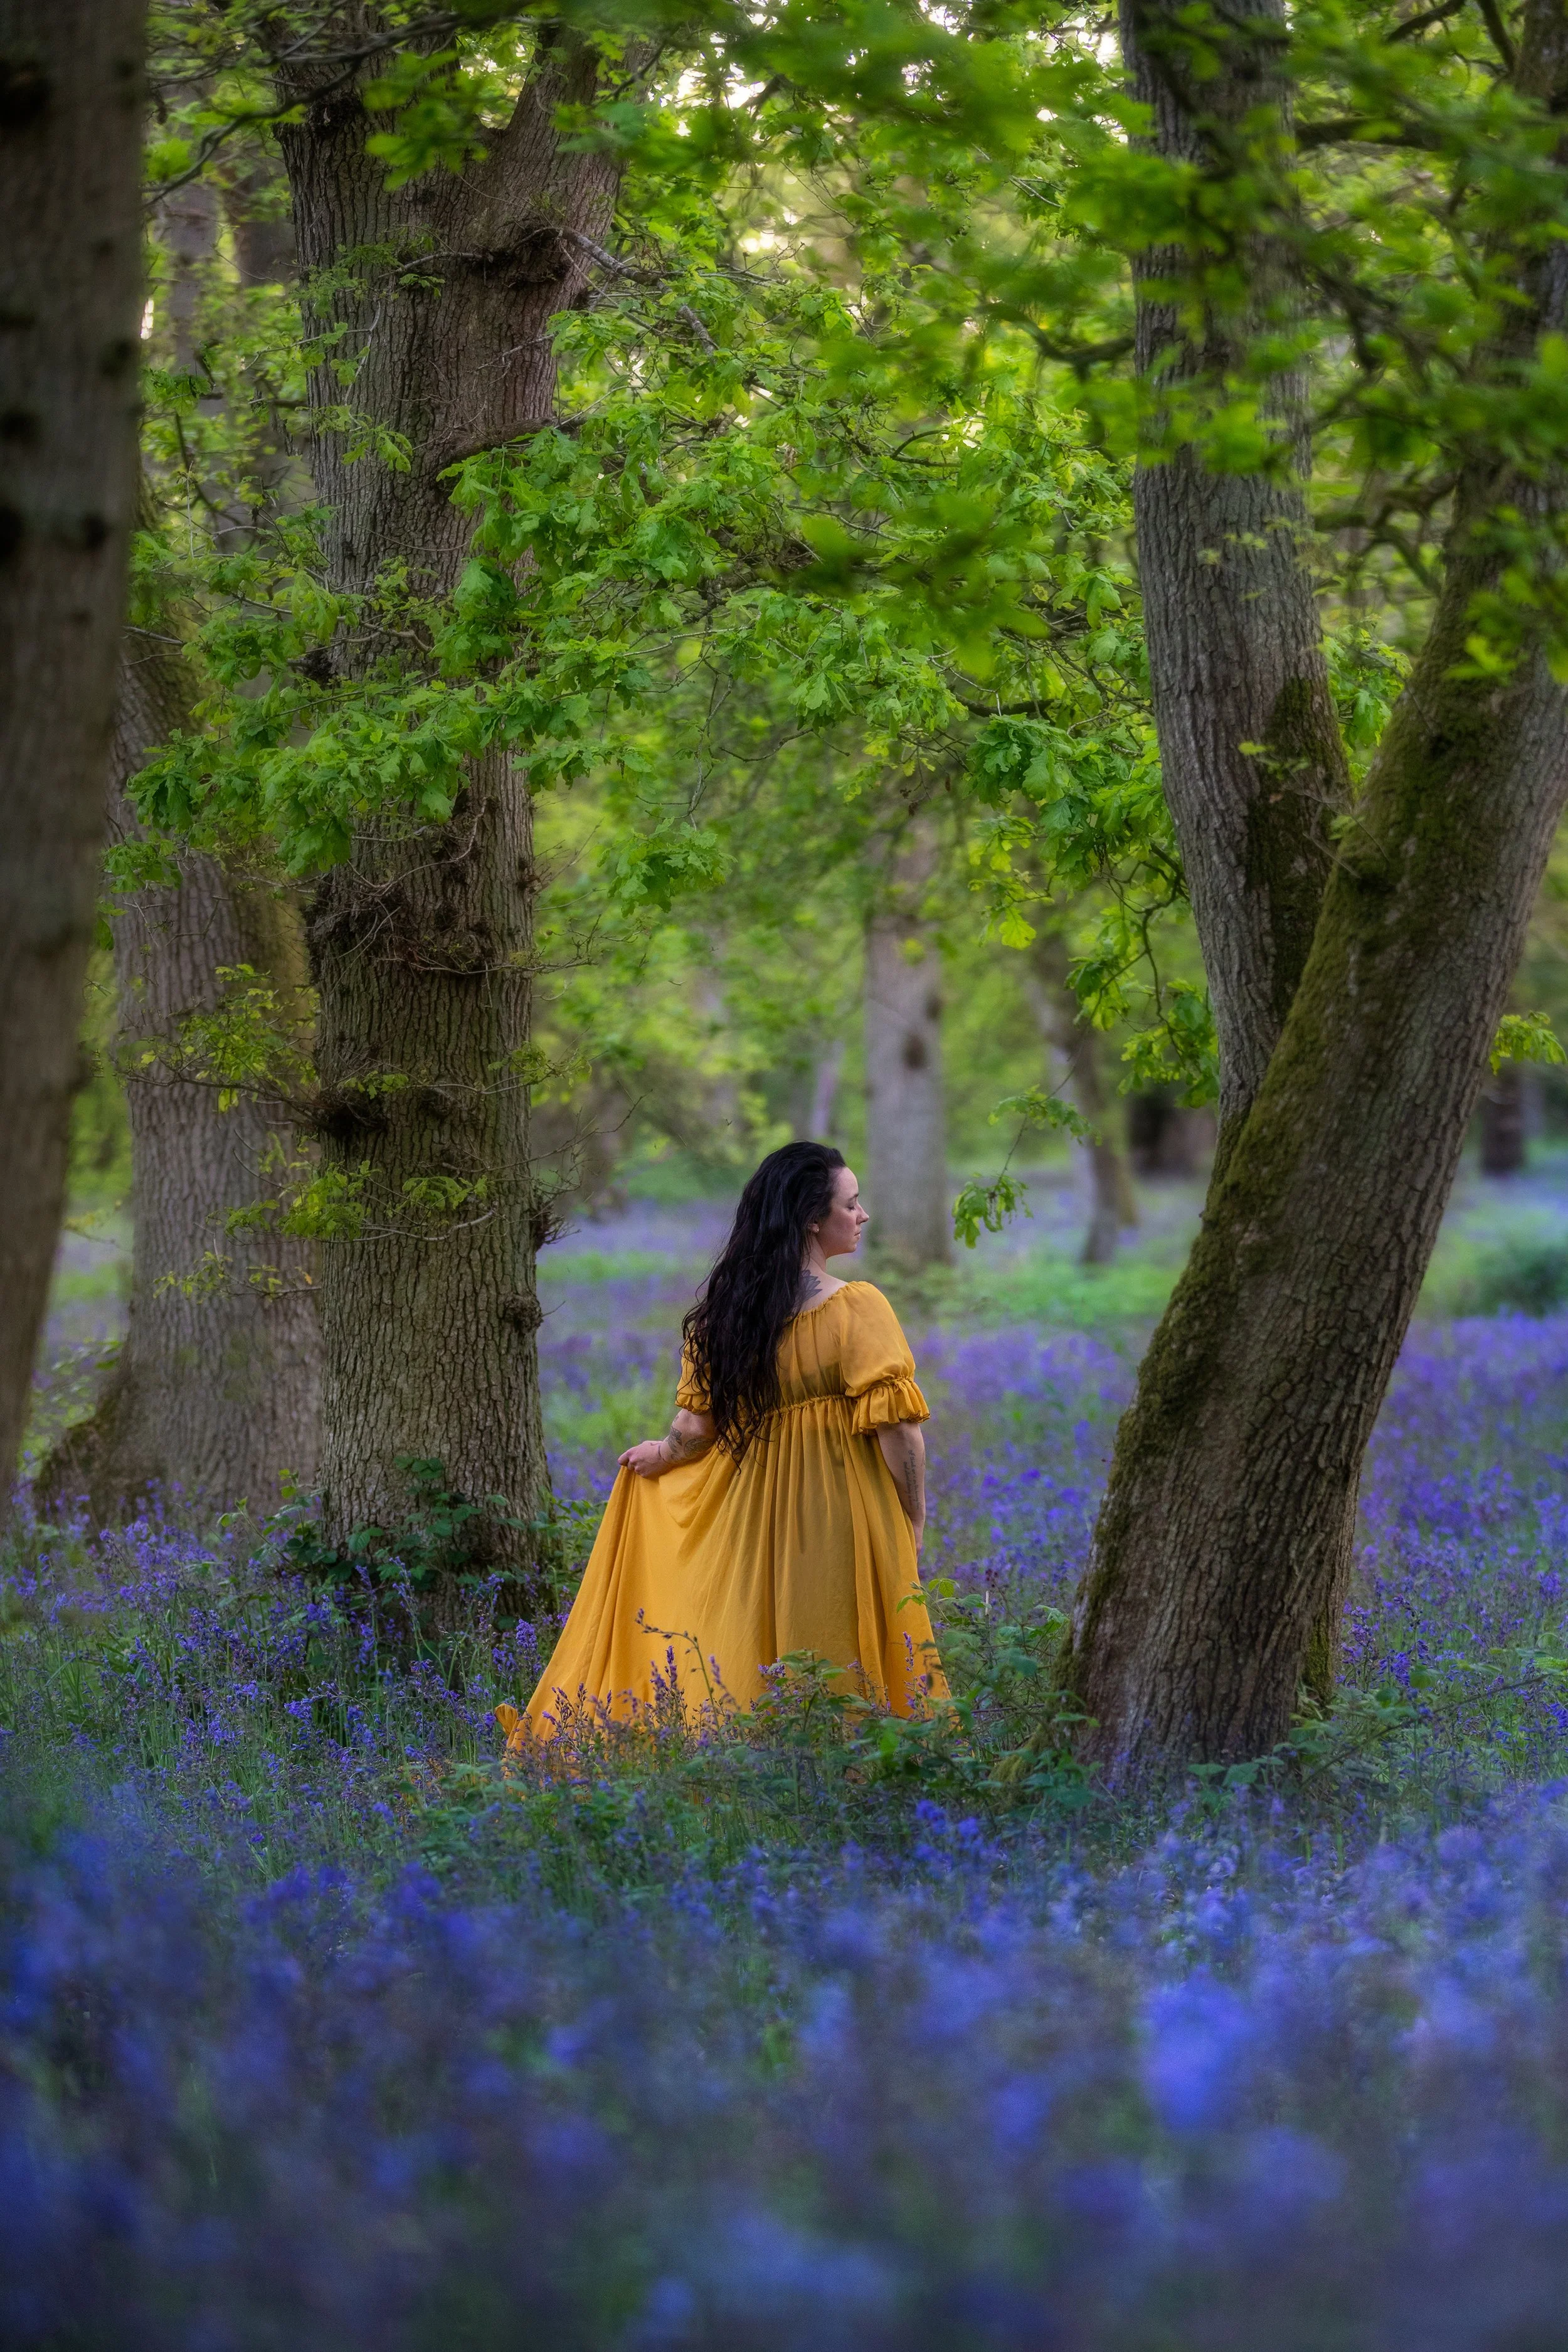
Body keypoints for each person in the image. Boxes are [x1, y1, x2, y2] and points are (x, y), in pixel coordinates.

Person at [522, 1142, 946, 1734]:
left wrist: (661, 1456)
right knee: (841, 1641)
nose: (863, 1214)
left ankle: (759, 1768)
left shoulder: (724, 1318)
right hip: (840, 1513)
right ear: (812, 1220)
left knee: (758, 1648)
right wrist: (913, 1518)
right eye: (852, 1204)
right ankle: (857, 1773)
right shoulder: (858, 1308)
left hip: (751, 1518)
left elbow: (694, 1430)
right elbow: (899, 1430)